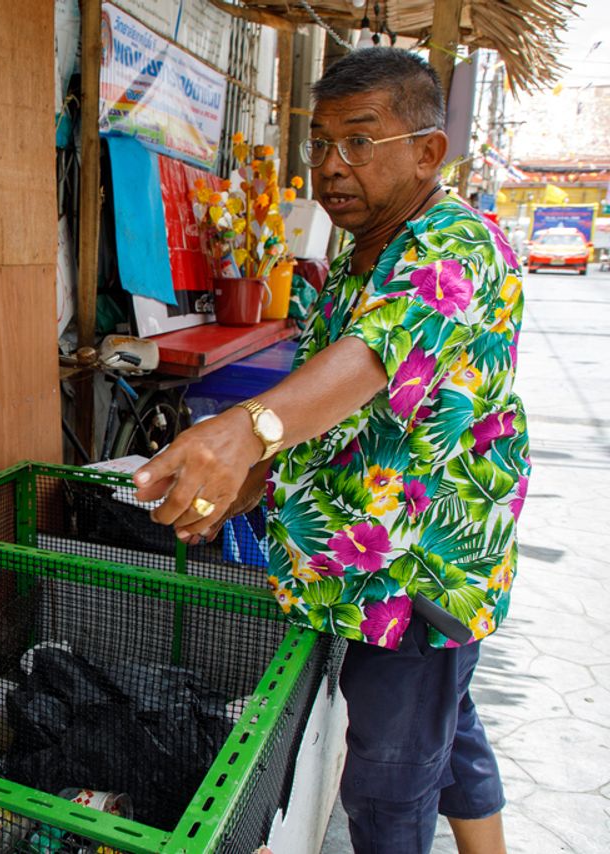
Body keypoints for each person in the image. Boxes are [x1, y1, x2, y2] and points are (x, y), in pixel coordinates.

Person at [133, 48, 528, 854]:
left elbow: (376, 357)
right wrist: (254, 478)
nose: (332, 167)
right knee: (447, 726)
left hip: (417, 575)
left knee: (386, 788)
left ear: (427, 152)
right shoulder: (356, 260)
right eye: (319, 144)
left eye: (359, 142)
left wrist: (242, 431)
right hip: (362, 566)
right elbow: (341, 414)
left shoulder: (456, 245)